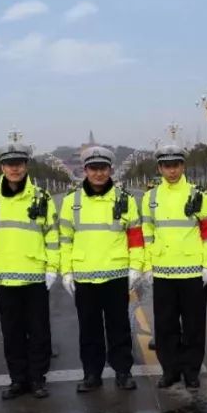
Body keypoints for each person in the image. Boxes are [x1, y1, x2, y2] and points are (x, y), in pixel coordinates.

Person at [60, 145, 143, 393]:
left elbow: (136, 239)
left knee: (119, 327)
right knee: (89, 329)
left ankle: (123, 371)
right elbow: (65, 240)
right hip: (84, 277)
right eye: (93, 169)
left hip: (117, 275)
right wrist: (66, 271)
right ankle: (91, 374)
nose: (98, 173)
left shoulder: (125, 200)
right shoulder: (71, 203)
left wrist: (136, 268)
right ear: (85, 170)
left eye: (103, 168)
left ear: (111, 170)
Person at [0, 142, 59, 399]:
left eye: (19, 164)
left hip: (36, 276)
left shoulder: (42, 198)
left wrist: (52, 269)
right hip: (4, 277)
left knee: (39, 331)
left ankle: (37, 378)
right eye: (10, 164)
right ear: (2, 167)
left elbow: (53, 237)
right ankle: (17, 379)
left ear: (26, 166)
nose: (15, 169)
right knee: (11, 333)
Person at [141, 144, 207, 390]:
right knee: (165, 324)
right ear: (160, 168)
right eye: (167, 166)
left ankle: (191, 370)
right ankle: (170, 370)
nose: (171, 170)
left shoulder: (198, 195)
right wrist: (147, 265)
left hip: (193, 271)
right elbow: (147, 233)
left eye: (176, 165)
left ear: (183, 166)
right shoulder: (150, 198)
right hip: (162, 271)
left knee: (194, 324)